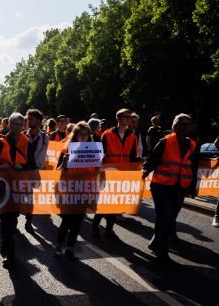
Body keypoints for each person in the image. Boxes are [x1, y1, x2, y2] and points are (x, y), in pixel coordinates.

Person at [142, 113, 198, 263]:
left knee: (169, 218)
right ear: (174, 126)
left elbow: (192, 166)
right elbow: (151, 161)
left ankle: (155, 242)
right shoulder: (164, 141)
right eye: (181, 124)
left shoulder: (191, 144)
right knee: (164, 217)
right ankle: (162, 250)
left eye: (187, 124)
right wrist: (144, 173)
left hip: (180, 187)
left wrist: (193, 187)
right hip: (161, 186)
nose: (185, 127)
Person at [0, 112, 33, 268]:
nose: (18, 127)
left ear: (23, 126)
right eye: (15, 124)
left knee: (13, 221)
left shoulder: (28, 143)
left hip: (20, 188)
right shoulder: (0, 143)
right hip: (4, 188)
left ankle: (5, 245)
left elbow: (32, 166)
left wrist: (23, 167)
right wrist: (1, 166)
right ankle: (10, 254)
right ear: (10, 125)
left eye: (21, 124)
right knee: (7, 221)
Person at [92, 108, 138, 240]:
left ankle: (109, 229)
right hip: (107, 174)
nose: (129, 119)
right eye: (126, 117)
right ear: (118, 119)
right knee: (104, 202)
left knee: (115, 203)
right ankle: (95, 226)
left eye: (130, 117)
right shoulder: (107, 134)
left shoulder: (132, 135)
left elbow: (133, 156)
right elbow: (101, 156)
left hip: (122, 175)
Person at [55, 121, 95, 259]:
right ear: (75, 135)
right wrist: (63, 163)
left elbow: (97, 173)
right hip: (69, 191)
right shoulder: (66, 150)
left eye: (86, 135)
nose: (83, 137)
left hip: (84, 191)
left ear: (89, 136)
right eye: (80, 134)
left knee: (77, 222)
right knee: (66, 221)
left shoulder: (94, 151)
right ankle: (59, 246)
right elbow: (57, 171)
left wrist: (101, 163)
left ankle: (70, 248)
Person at [23, 109, 49, 232]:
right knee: (20, 195)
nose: (29, 121)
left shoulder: (45, 138)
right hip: (22, 170)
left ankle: (28, 221)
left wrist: (35, 168)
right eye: (28, 119)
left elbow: (42, 156)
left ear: (38, 121)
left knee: (31, 197)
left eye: (31, 119)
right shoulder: (23, 135)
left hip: (34, 171)